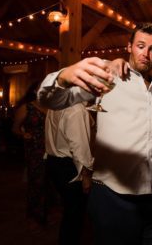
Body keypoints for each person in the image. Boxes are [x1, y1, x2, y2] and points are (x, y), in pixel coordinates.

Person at [38, 24, 152, 245]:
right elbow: (51, 100)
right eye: (140, 46)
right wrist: (63, 77)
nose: (146, 54)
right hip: (115, 198)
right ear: (129, 47)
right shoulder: (109, 78)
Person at [44, 103, 94, 245]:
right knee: (74, 217)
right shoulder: (76, 108)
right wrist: (86, 175)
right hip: (70, 166)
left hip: (54, 162)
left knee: (70, 214)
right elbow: (80, 148)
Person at [13, 82, 50, 229]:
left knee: (49, 182)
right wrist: (23, 134)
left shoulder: (51, 106)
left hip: (51, 148)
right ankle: (33, 216)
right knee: (36, 183)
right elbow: (15, 129)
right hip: (35, 149)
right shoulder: (26, 107)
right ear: (35, 90)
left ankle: (45, 213)